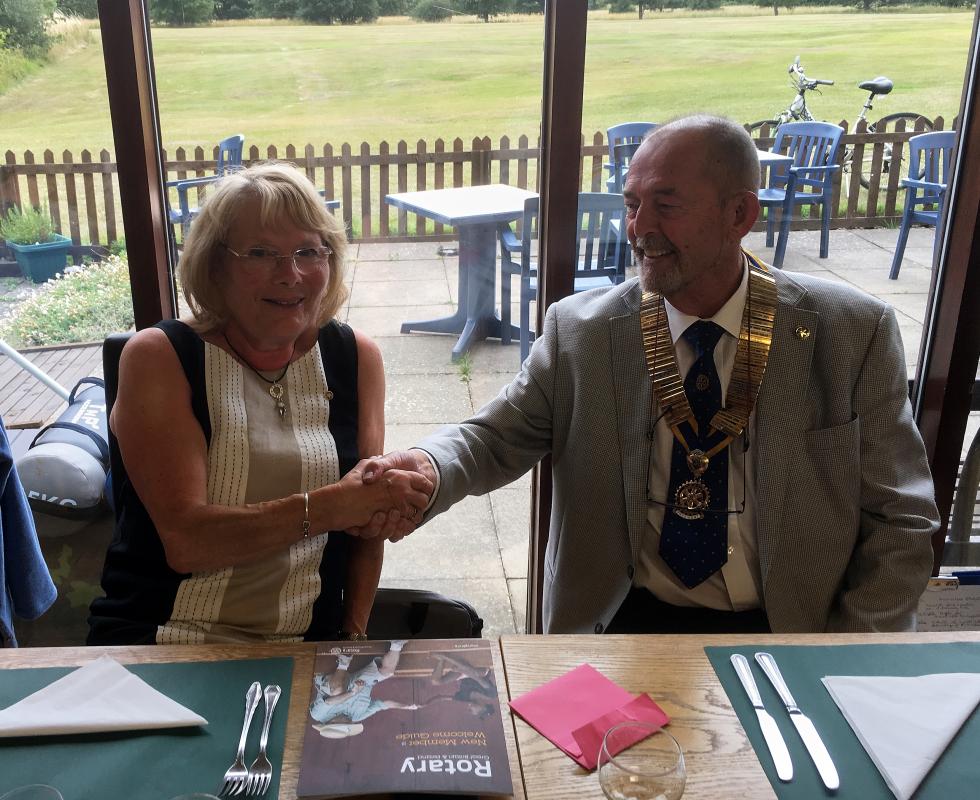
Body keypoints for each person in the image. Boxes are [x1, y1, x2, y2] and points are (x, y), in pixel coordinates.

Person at [363, 114, 938, 635]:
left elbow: (902, 519)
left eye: (667, 204)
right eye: (632, 203)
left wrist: (850, 650)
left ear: (740, 214)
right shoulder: (582, 332)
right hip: (619, 624)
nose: (639, 228)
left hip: (788, 631)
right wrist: (428, 468)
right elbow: (493, 438)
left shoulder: (850, 333)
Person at [87, 162, 431, 645]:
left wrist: (351, 641)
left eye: (309, 251)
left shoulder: (355, 358)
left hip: (308, 647)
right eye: (260, 253)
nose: (290, 274)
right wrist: (333, 507)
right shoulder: (162, 358)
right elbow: (187, 541)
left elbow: (365, 530)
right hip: (167, 640)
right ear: (215, 265)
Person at [309, 640, 419, 724]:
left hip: (333, 683)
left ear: (332, 723)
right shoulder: (357, 717)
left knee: (337, 691)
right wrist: (405, 707)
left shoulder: (318, 715)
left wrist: (353, 692)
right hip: (362, 682)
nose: (349, 723)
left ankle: (344, 662)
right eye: (349, 725)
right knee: (388, 671)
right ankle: (397, 644)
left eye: (344, 724)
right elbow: (383, 705)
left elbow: (329, 701)